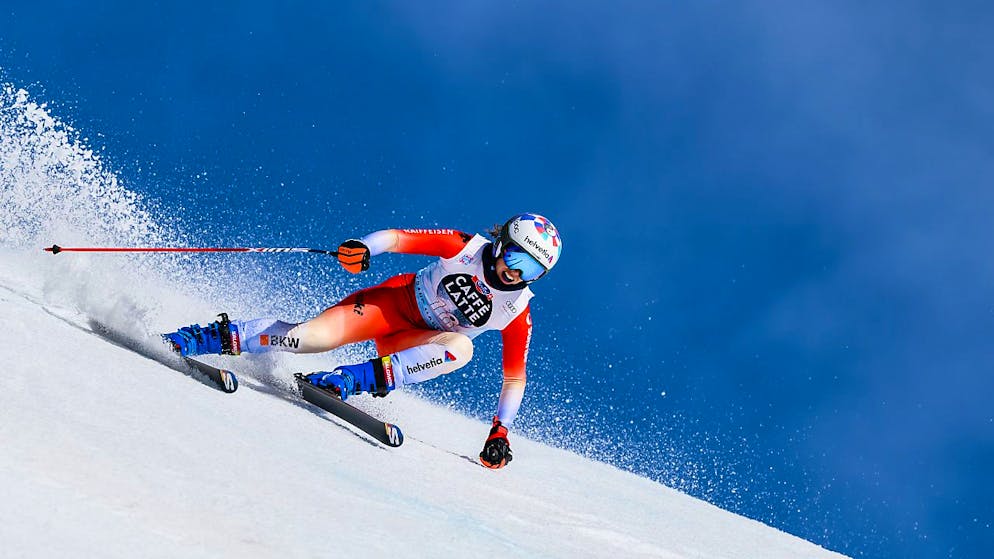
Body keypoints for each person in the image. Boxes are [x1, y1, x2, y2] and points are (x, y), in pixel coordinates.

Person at [163, 213, 562, 469]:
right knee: (306, 339)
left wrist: (500, 431)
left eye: (531, 270)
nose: (516, 273)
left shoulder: (517, 309)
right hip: (389, 306)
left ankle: (347, 380)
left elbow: (515, 378)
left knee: (461, 349)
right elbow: (399, 238)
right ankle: (204, 337)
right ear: (501, 243)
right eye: (516, 258)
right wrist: (365, 247)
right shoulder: (465, 248)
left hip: (412, 343)